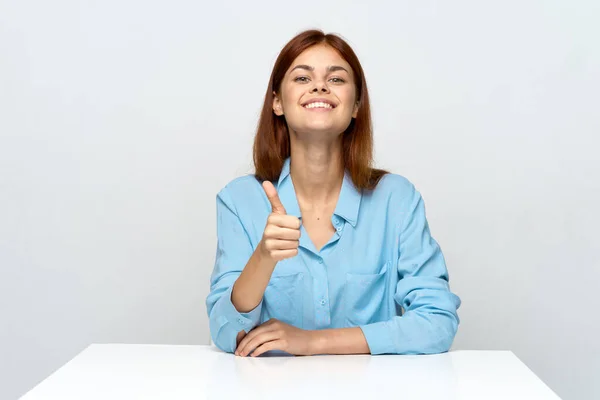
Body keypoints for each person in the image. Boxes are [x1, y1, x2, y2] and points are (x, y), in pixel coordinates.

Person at [205, 29, 461, 357]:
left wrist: (313, 342)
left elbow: (437, 322)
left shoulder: (396, 199)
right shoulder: (239, 199)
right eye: (302, 77)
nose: (320, 86)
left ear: (356, 105)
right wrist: (263, 258)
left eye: (336, 79)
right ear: (277, 102)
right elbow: (226, 333)